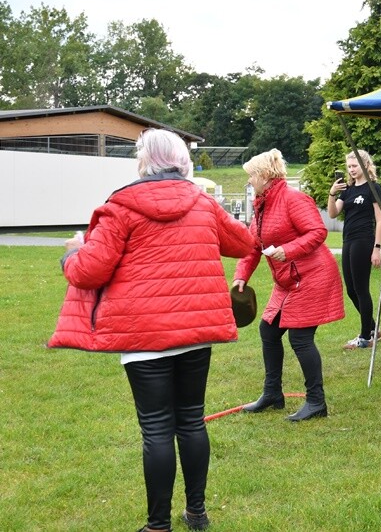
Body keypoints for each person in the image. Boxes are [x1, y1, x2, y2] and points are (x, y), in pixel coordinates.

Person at [49, 128, 255, 532]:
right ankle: (196, 513)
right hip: (196, 330)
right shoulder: (203, 202)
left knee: (158, 428)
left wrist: (72, 251)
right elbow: (243, 241)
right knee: (191, 421)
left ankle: (158, 525)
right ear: (182, 161)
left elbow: (89, 271)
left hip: (143, 336)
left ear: (143, 161)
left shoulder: (121, 206)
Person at [234, 149, 345, 422]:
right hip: (288, 280)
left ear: (264, 175)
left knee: (300, 338)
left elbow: (318, 232)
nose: (248, 182)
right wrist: (241, 276)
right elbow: (252, 247)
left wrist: (289, 249)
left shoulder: (294, 199)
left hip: (313, 276)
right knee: (268, 330)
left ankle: (316, 403)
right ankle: (273, 394)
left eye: (251, 176)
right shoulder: (262, 205)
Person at [327, 149, 381, 349]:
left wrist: (377, 248)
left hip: (364, 240)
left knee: (361, 289)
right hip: (348, 241)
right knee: (351, 290)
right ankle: (373, 329)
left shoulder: (373, 188)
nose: (351, 170)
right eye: (349, 166)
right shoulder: (348, 190)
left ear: (365, 166)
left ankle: (365, 337)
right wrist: (332, 193)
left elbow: (380, 220)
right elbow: (333, 213)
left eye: (355, 166)